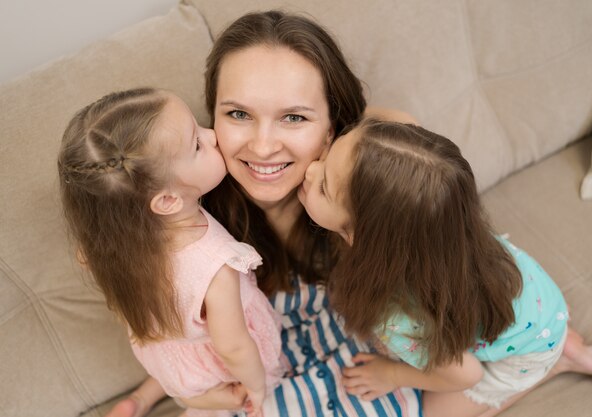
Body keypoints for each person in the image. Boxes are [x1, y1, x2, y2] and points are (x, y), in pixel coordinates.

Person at [105, 10, 425, 417]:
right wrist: (151, 397)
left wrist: (352, 136)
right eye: (239, 114)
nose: (262, 146)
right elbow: (181, 328)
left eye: (294, 117)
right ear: (212, 116)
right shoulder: (189, 209)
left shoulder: (356, 188)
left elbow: (408, 128)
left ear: (332, 128)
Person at [297, 118, 592, 417]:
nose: (310, 169)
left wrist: (391, 374)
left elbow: (467, 373)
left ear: (365, 236)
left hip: (530, 348)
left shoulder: (396, 316)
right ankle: (561, 344)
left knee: (437, 413)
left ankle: (559, 363)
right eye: (326, 156)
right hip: (541, 305)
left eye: (324, 187)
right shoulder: (442, 230)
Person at [58, 88, 285, 417]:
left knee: (184, 370)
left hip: (166, 355)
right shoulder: (215, 266)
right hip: (213, 368)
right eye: (197, 143)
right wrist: (257, 388)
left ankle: (141, 399)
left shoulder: (106, 246)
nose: (212, 135)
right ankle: (204, 405)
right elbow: (234, 347)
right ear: (168, 201)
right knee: (219, 399)